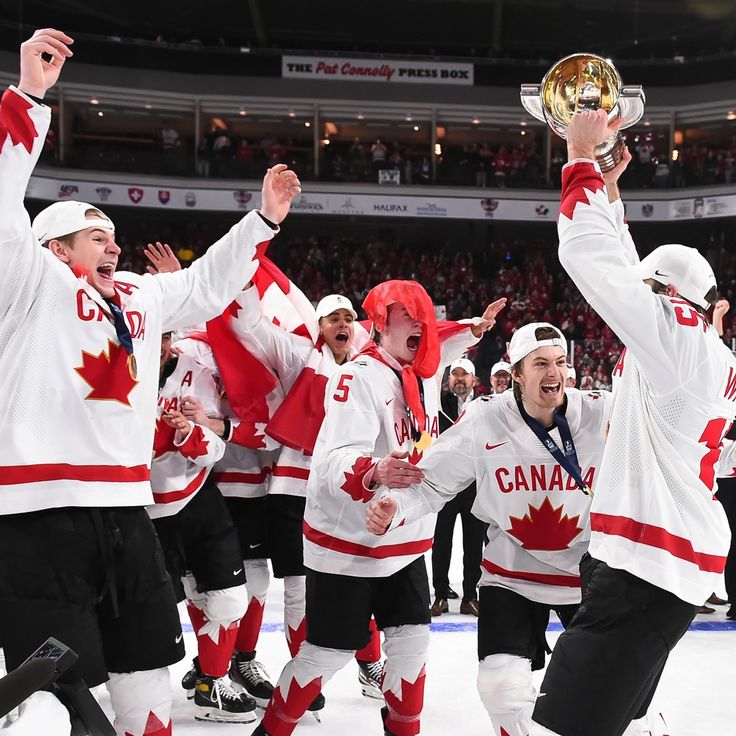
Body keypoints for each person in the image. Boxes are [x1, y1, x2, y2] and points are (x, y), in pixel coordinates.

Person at [0, 28, 300, 736]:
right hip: (41, 515)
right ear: (53, 247)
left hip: (127, 513)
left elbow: (204, 283)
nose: (114, 244)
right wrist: (29, 96)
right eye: (96, 236)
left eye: (113, 235)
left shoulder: (138, 295)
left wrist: (262, 221)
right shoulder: (26, 283)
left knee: (145, 681)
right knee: (53, 688)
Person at [528, 109, 736, 736]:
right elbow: (632, 272)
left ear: (670, 301)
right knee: (624, 719)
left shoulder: (678, 339)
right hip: (656, 561)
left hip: (647, 567)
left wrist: (581, 156)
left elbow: (597, 263)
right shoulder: (694, 346)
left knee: (560, 728)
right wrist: (613, 198)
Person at [253, 281, 505, 736]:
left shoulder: (422, 370)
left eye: (423, 318)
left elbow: (443, 342)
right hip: (347, 546)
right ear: (382, 324)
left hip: (404, 543)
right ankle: (271, 731)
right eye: (410, 318)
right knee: (325, 654)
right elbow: (330, 463)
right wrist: (374, 470)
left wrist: (474, 329)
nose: (422, 328)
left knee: (411, 647)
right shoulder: (356, 378)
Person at [366, 322, 613, 736]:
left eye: (560, 363)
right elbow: (432, 482)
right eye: (540, 364)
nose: (554, 373)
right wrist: (396, 506)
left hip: (585, 572)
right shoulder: (485, 419)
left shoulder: (601, 410)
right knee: (501, 686)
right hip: (510, 574)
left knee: (616, 687)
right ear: (515, 373)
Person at [148, 332, 254, 723]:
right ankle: (133, 689)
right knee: (155, 610)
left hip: (197, 499)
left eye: (165, 335)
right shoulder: (113, 370)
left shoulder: (196, 371)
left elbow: (216, 447)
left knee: (229, 599)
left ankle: (213, 681)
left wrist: (189, 434)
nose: (160, 345)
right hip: (141, 510)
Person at [430, 357, 487, 617]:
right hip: (446, 483)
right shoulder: (439, 403)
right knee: (441, 541)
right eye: (455, 374)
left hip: (475, 484)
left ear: (474, 380)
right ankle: (440, 594)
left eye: (465, 375)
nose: (460, 379)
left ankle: (470, 596)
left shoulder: (484, 406)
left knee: (474, 543)